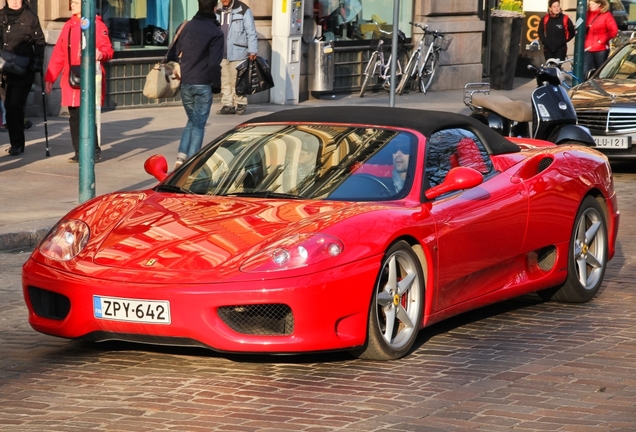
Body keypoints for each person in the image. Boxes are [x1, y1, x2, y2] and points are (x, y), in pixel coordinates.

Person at [44, 0, 114, 163]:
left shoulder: (97, 25)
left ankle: (93, 150)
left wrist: (101, 54)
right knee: (74, 116)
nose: (72, 5)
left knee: (88, 115)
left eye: (75, 2)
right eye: (71, 2)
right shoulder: (68, 26)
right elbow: (59, 54)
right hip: (71, 78)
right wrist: (50, 77)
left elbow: (107, 49)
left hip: (89, 77)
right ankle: (80, 151)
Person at [167, 0, 224, 169]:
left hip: (185, 82)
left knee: (192, 120)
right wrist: (217, 85)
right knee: (199, 125)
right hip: (203, 83)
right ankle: (192, 163)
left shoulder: (185, 26)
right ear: (214, 9)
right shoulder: (215, 32)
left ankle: (180, 157)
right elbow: (214, 63)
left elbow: (173, 53)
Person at [0, 0, 45, 156]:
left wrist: (38, 61)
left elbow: (40, 42)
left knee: (14, 106)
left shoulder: (30, 18)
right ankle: (15, 142)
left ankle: (17, 144)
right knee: (7, 106)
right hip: (3, 70)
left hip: (23, 70)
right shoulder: (1, 16)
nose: (14, 1)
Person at [215, 0, 258, 116]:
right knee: (225, 80)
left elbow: (251, 32)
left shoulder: (243, 9)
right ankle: (227, 104)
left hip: (238, 52)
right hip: (221, 52)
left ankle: (240, 103)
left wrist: (252, 50)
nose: (224, 0)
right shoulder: (217, 9)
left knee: (237, 80)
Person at [584, 0, 618, 78]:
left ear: (599, 4)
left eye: (593, 4)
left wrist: (602, 40)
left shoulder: (606, 15)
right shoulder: (586, 14)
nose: (590, 6)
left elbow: (614, 30)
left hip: (601, 48)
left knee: (600, 71)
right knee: (585, 71)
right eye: (590, 4)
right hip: (587, 48)